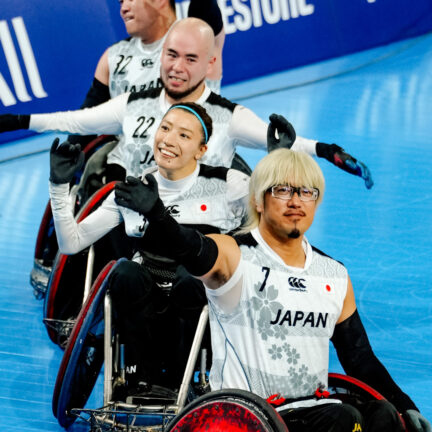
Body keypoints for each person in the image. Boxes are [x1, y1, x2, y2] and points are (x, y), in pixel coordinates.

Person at [113, 147, 431, 431]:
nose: (295, 201)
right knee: (346, 421)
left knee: (383, 416)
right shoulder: (234, 254)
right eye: (282, 190)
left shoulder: (333, 274)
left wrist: (406, 405)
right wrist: (157, 214)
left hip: (314, 411)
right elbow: (190, 248)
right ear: (258, 200)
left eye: (306, 192)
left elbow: (360, 358)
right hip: (249, 416)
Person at [0, 18, 373, 189]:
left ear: (210, 64)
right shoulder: (132, 104)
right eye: (171, 55)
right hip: (133, 215)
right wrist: (17, 120)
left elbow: (280, 140)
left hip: (197, 231)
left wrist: (328, 151)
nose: (177, 68)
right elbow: (78, 120)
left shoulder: (228, 117)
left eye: (190, 60)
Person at [48, 102, 250, 398]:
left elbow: (267, 225)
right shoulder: (132, 190)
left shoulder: (227, 184)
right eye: (165, 128)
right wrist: (58, 186)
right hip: (145, 300)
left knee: (191, 277)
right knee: (126, 273)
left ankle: (183, 380)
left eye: (183, 135)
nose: (168, 140)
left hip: (202, 302)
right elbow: (71, 243)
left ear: (201, 149)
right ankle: (140, 379)